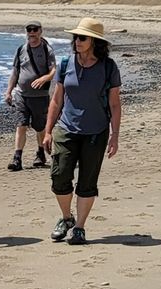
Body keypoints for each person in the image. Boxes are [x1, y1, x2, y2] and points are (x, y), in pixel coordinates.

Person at [43, 17, 122, 245]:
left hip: (96, 132)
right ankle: (67, 218)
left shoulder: (108, 67)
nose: (77, 41)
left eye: (82, 37)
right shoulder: (66, 64)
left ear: (94, 41)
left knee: (87, 183)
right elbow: (56, 100)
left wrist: (115, 135)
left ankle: (79, 227)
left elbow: (115, 104)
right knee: (59, 177)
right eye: (75, 37)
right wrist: (48, 131)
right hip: (66, 129)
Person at [4, 21, 56, 171]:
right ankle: (17, 158)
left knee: (40, 128)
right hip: (21, 94)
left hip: (40, 96)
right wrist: (8, 91)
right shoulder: (21, 49)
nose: (31, 32)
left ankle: (40, 153)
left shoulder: (47, 49)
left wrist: (44, 78)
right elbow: (15, 72)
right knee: (21, 125)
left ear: (40, 31)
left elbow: (53, 71)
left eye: (34, 30)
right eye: (29, 30)